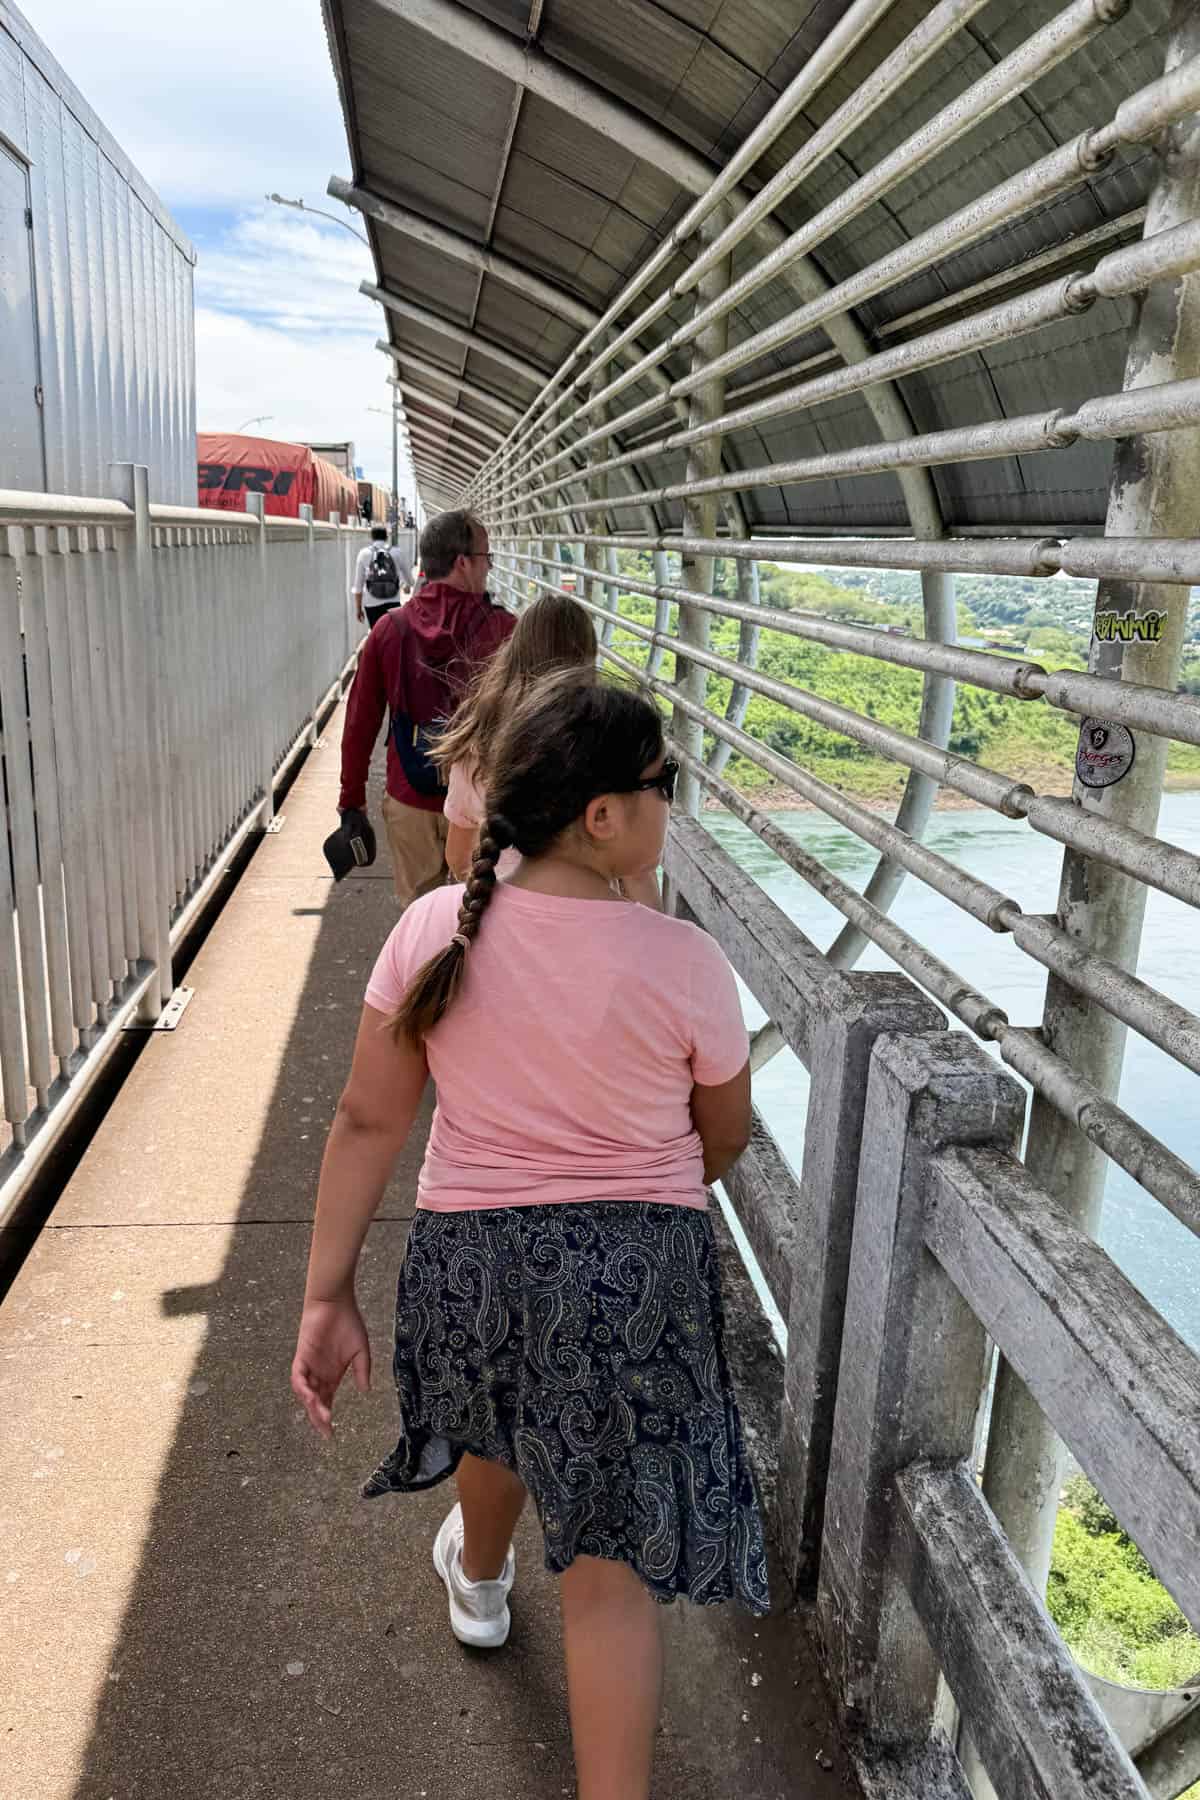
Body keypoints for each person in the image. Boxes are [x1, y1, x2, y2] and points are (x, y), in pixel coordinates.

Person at [292, 673, 765, 1800]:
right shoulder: (683, 964)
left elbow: (367, 1119)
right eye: (664, 785)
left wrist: (326, 1292)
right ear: (602, 815)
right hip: (638, 1271)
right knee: (609, 1581)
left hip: (475, 1259)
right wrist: (625, 1203)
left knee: (496, 1415)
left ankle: (483, 1572)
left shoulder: (430, 934)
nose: (670, 805)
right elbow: (725, 1138)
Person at [438, 590, 663, 908]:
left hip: (499, 913)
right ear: (587, 658)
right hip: (589, 920)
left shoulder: (480, 737)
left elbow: (458, 856)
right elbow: (638, 876)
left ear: (516, 650)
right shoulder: (605, 740)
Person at [337, 510, 514, 907]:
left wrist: (351, 799)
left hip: (409, 794)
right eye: (487, 557)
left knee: (418, 917)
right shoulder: (505, 630)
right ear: (463, 562)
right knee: (480, 919)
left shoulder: (389, 629)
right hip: (481, 800)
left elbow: (360, 723)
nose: (489, 568)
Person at [351, 526, 413, 631]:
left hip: (371, 604)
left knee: (377, 636)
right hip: (393, 602)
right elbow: (410, 580)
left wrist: (358, 609)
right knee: (393, 636)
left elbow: (358, 587)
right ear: (386, 537)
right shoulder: (397, 552)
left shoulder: (364, 554)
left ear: (371, 537)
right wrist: (406, 585)